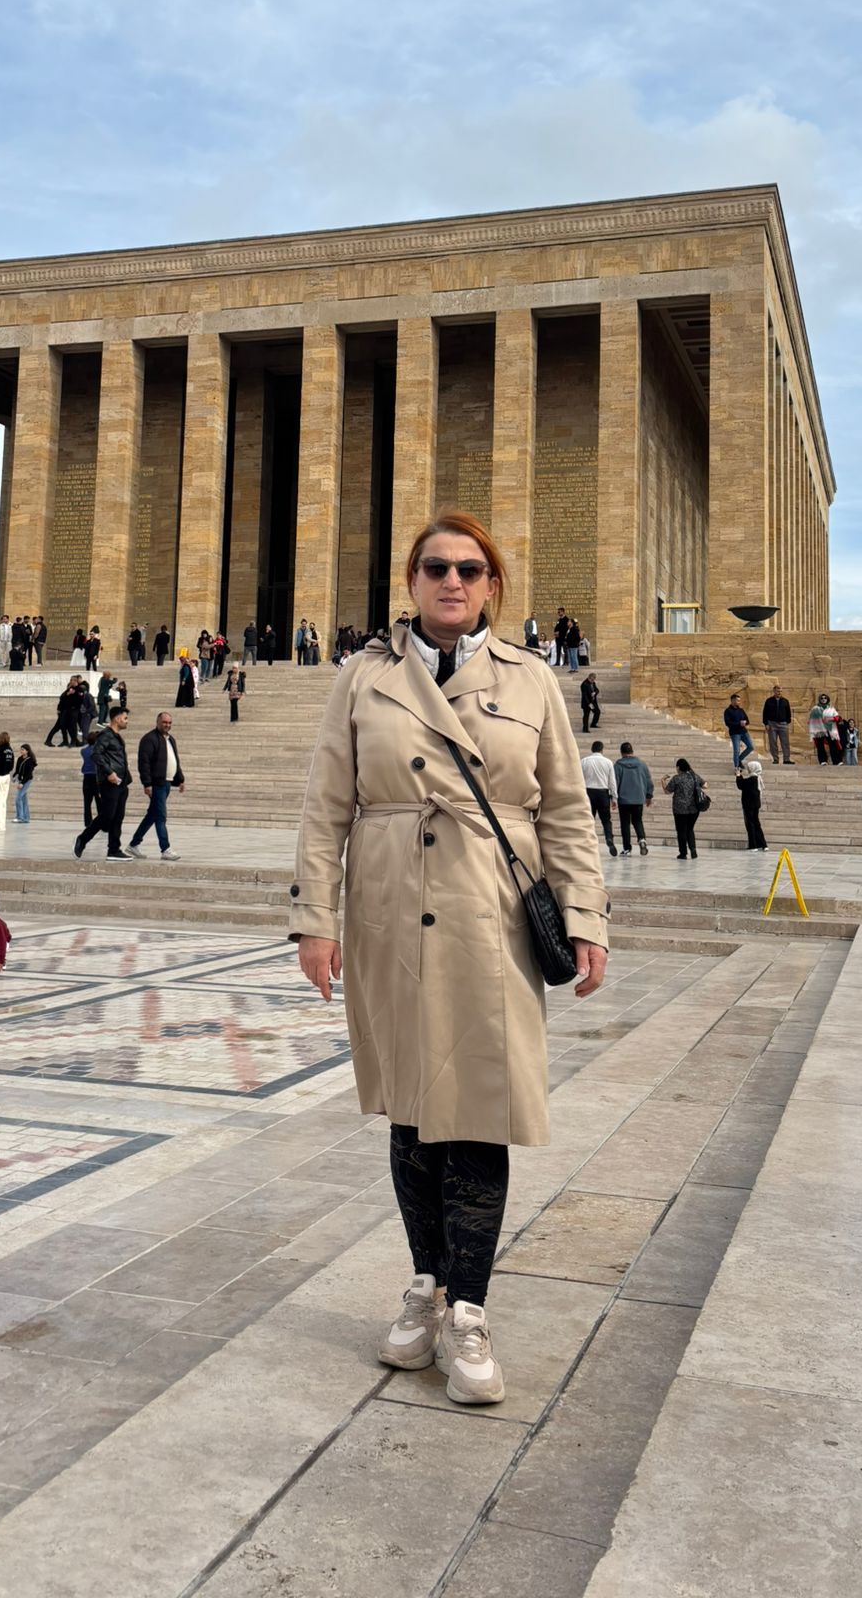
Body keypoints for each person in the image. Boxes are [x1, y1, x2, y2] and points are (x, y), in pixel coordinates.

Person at [292, 512, 608, 1407]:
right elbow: (326, 806)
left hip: (489, 916)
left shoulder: (530, 678)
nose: (453, 582)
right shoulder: (363, 676)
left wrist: (586, 915)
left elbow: (564, 811)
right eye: (436, 567)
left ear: (492, 584)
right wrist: (316, 919)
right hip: (391, 910)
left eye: (470, 569)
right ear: (412, 580)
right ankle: (425, 1284)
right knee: (411, 1110)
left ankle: (468, 1310)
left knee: (477, 1109)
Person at [75, 707, 132, 858]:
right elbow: (96, 754)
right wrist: (109, 772)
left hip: (121, 782)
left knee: (118, 817)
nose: (127, 721)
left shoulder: (116, 736)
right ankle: (83, 839)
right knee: (107, 815)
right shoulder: (106, 735)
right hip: (110, 782)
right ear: (117, 719)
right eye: (125, 718)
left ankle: (114, 849)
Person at [128, 711, 184, 858]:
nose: (167, 725)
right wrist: (147, 784)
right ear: (157, 722)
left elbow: (175, 760)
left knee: (152, 815)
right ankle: (165, 849)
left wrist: (180, 779)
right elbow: (144, 763)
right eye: (164, 722)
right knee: (160, 816)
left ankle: (133, 845)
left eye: (169, 723)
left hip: (167, 782)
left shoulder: (171, 739)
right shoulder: (149, 739)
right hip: (156, 783)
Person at [662, 757, 707, 860]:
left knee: (681, 831)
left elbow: (667, 791)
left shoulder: (676, 778)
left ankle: (683, 853)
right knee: (690, 829)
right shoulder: (694, 776)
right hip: (694, 809)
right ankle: (693, 849)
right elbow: (705, 785)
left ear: (678, 767)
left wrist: (663, 780)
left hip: (680, 810)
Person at [613, 741, 653, 856]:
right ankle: (642, 839)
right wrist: (649, 795)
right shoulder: (642, 764)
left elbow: (615, 782)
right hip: (638, 799)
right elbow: (648, 781)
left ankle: (627, 849)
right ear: (632, 751)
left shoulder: (618, 765)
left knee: (625, 823)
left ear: (621, 752)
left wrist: (613, 797)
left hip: (624, 800)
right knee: (637, 820)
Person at [580, 739, 617, 855]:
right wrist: (614, 797)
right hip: (603, 793)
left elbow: (579, 779)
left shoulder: (584, 761)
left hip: (588, 792)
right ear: (602, 750)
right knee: (606, 820)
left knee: (589, 819)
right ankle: (609, 837)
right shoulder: (608, 762)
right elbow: (612, 782)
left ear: (592, 749)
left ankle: (588, 842)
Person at [735, 751, 767, 851]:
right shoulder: (757, 778)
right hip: (756, 804)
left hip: (748, 805)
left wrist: (738, 775)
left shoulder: (751, 779)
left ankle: (753, 845)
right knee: (756, 823)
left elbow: (741, 785)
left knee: (750, 824)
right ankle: (763, 844)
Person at [762, 685, 793, 763]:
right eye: (778, 691)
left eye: (781, 691)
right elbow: (765, 713)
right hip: (772, 724)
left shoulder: (785, 701)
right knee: (773, 742)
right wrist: (766, 723)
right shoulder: (769, 701)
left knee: (785, 742)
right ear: (774, 691)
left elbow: (788, 712)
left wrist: (787, 721)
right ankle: (775, 759)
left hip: (783, 724)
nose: (779, 693)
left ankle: (786, 759)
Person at [722, 692, 754, 767]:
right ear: (733, 700)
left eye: (739, 700)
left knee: (751, 747)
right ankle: (736, 767)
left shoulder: (741, 710)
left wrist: (745, 723)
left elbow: (747, 720)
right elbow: (727, 723)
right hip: (735, 733)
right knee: (737, 750)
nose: (739, 702)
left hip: (744, 732)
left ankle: (739, 759)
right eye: (738, 700)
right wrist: (739, 724)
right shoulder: (728, 711)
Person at [809, 694, 842, 765]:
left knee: (833, 745)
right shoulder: (815, 709)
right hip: (819, 729)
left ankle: (836, 761)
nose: (823, 699)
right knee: (820, 745)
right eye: (822, 698)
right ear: (820, 699)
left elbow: (837, 717)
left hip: (829, 729)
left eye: (825, 698)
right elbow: (811, 719)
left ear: (827, 699)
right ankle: (822, 760)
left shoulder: (831, 709)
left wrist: (830, 719)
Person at [13, 742, 37, 822]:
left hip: (27, 780)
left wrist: (22, 783)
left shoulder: (30, 760)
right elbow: (17, 770)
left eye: (23, 749)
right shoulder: (20, 759)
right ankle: (26, 818)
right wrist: (14, 776)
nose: (21, 751)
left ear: (27, 751)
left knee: (18, 798)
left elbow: (29, 774)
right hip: (20, 780)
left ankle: (20, 817)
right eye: (21, 749)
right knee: (23, 799)